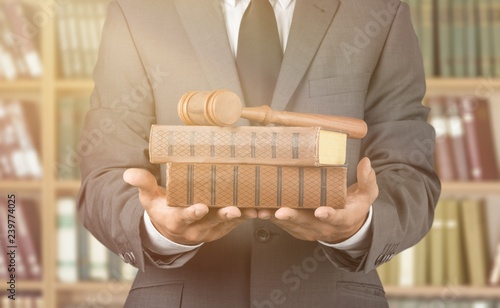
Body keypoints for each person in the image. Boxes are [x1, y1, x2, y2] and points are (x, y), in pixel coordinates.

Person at [77, 0, 441, 307]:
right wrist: (158, 229)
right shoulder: (138, 9)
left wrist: (358, 227)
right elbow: (104, 178)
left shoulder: (376, 10)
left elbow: (410, 172)